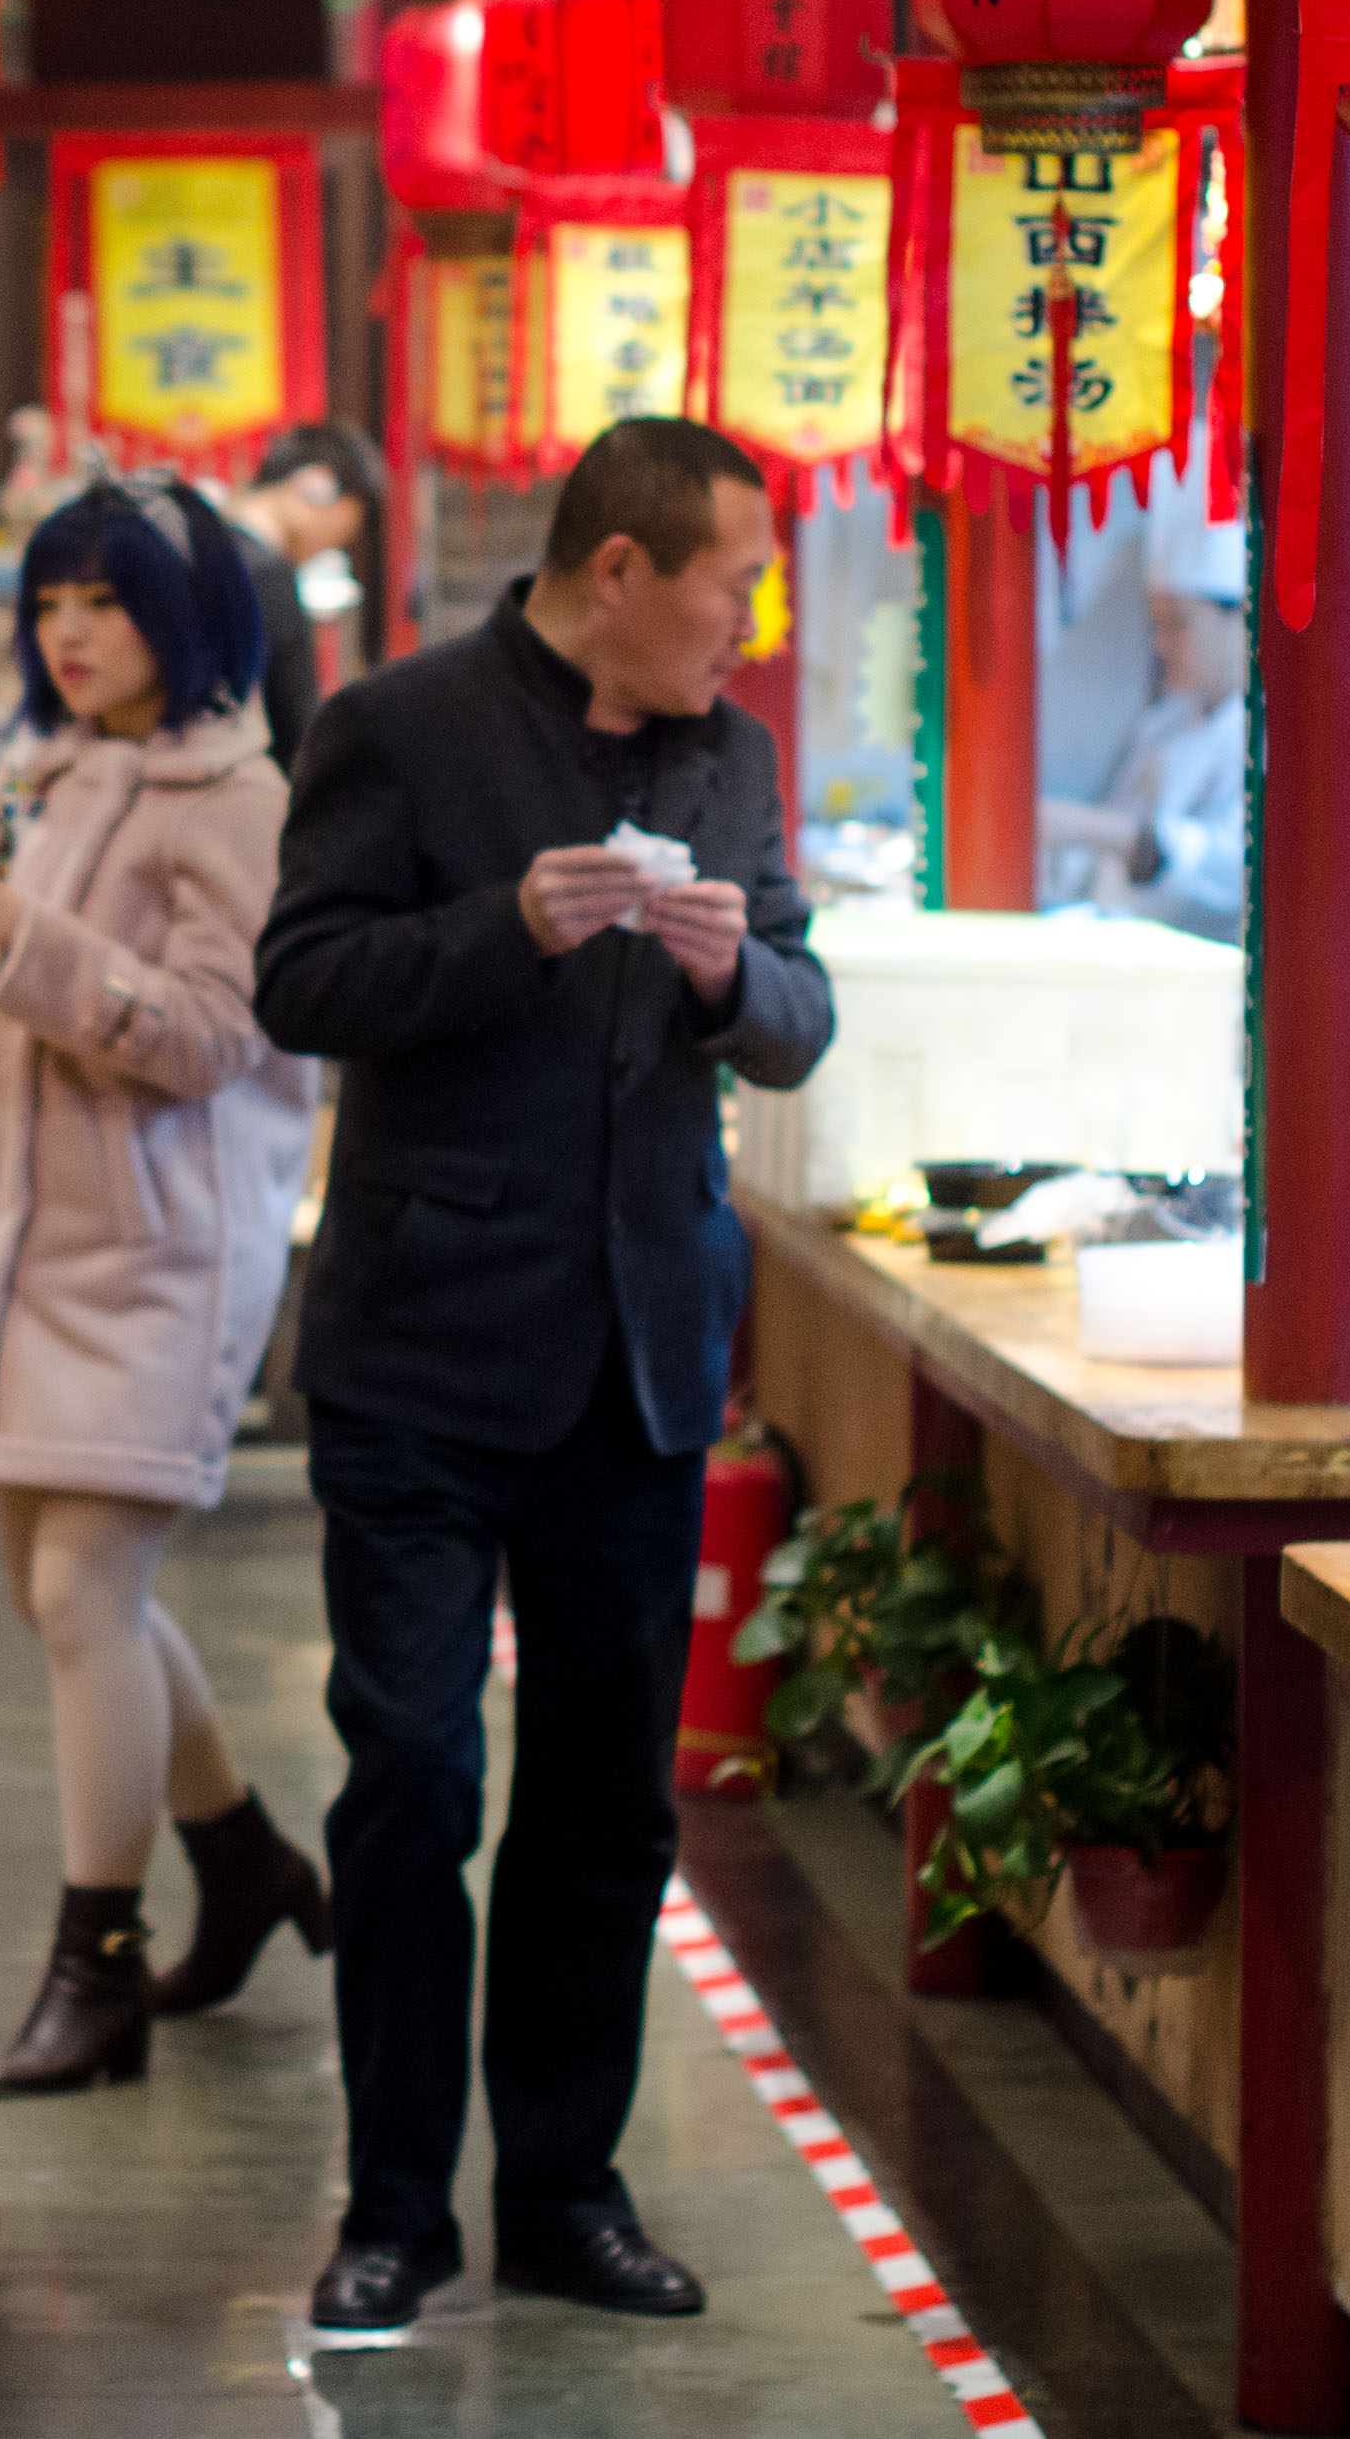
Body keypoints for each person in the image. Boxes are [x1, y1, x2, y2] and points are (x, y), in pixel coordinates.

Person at [253, 414, 833, 2342]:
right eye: (726, 584)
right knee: (412, 1775)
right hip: (420, 1350)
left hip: (640, 1357)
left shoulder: (731, 758)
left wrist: (724, 974)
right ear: (615, 575)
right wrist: (500, 926)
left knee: (605, 1806)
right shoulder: (399, 728)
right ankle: (395, 2202)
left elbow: (797, 1020)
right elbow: (302, 985)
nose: (744, 627)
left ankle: (565, 2191)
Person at [0, 475, 330, 2098]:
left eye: (104, 602)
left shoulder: (234, 796)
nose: (69, 631)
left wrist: (20, 933)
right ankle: (241, 1855)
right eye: (52, 603)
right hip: (21, 1237)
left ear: (186, 621)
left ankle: (93, 1959)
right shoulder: (30, 773)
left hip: (164, 1247)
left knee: (77, 1597)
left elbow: (223, 1036)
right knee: (71, 1586)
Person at [1041, 520, 1247, 942]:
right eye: (1157, 625)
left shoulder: (1265, 734)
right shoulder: (1164, 724)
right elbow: (1102, 856)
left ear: (1240, 620)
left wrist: (1088, 827)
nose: (1161, 644)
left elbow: (1229, 873)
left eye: (1178, 624)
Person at [211, 423, 384, 771]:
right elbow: (296, 722)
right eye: (347, 529)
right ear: (320, 486)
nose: (336, 543)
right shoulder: (268, 574)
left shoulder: (205, 551)